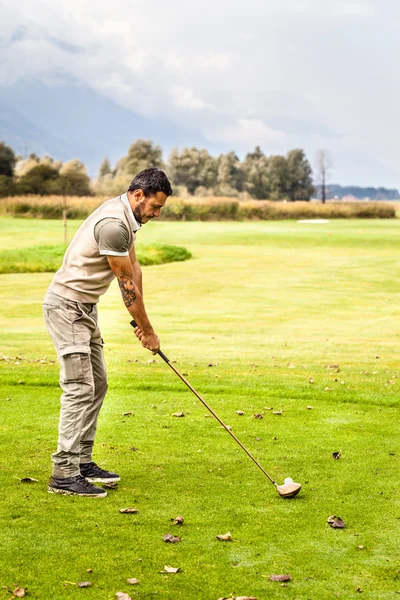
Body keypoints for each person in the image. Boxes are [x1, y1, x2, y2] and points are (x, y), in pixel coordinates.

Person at [43, 168, 173, 497]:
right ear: (138, 195)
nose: (156, 214)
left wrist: (142, 325)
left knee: (97, 383)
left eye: (160, 209)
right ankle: (63, 472)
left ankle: (82, 461)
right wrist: (148, 331)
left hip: (84, 309)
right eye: (155, 207)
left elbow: (134, 269)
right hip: (66, 308)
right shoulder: (114, 224)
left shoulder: (128, 218)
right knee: (79, 387)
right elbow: (125, 287)